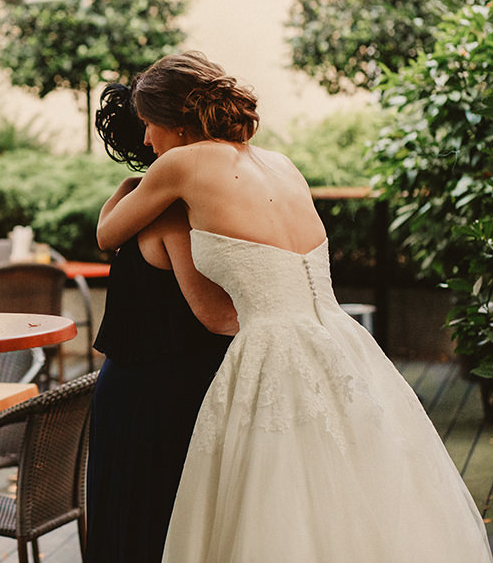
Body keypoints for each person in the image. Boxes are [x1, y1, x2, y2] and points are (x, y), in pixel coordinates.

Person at [96, 51, 493, 563]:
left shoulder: (178, 165)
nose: (147, 140)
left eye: (149, 124)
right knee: (345, 495)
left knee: (277, 509)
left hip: (270, 351)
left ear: (175, 121)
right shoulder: (281, 164)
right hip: (339, 340)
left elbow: (108, 234)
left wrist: (130, 185)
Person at [85, 84, 235, 563]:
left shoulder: (135, 201)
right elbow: (214, 314)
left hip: (131, 390)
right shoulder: (172, 215)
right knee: (157, 528)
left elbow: (104, 232)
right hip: (161, 397)